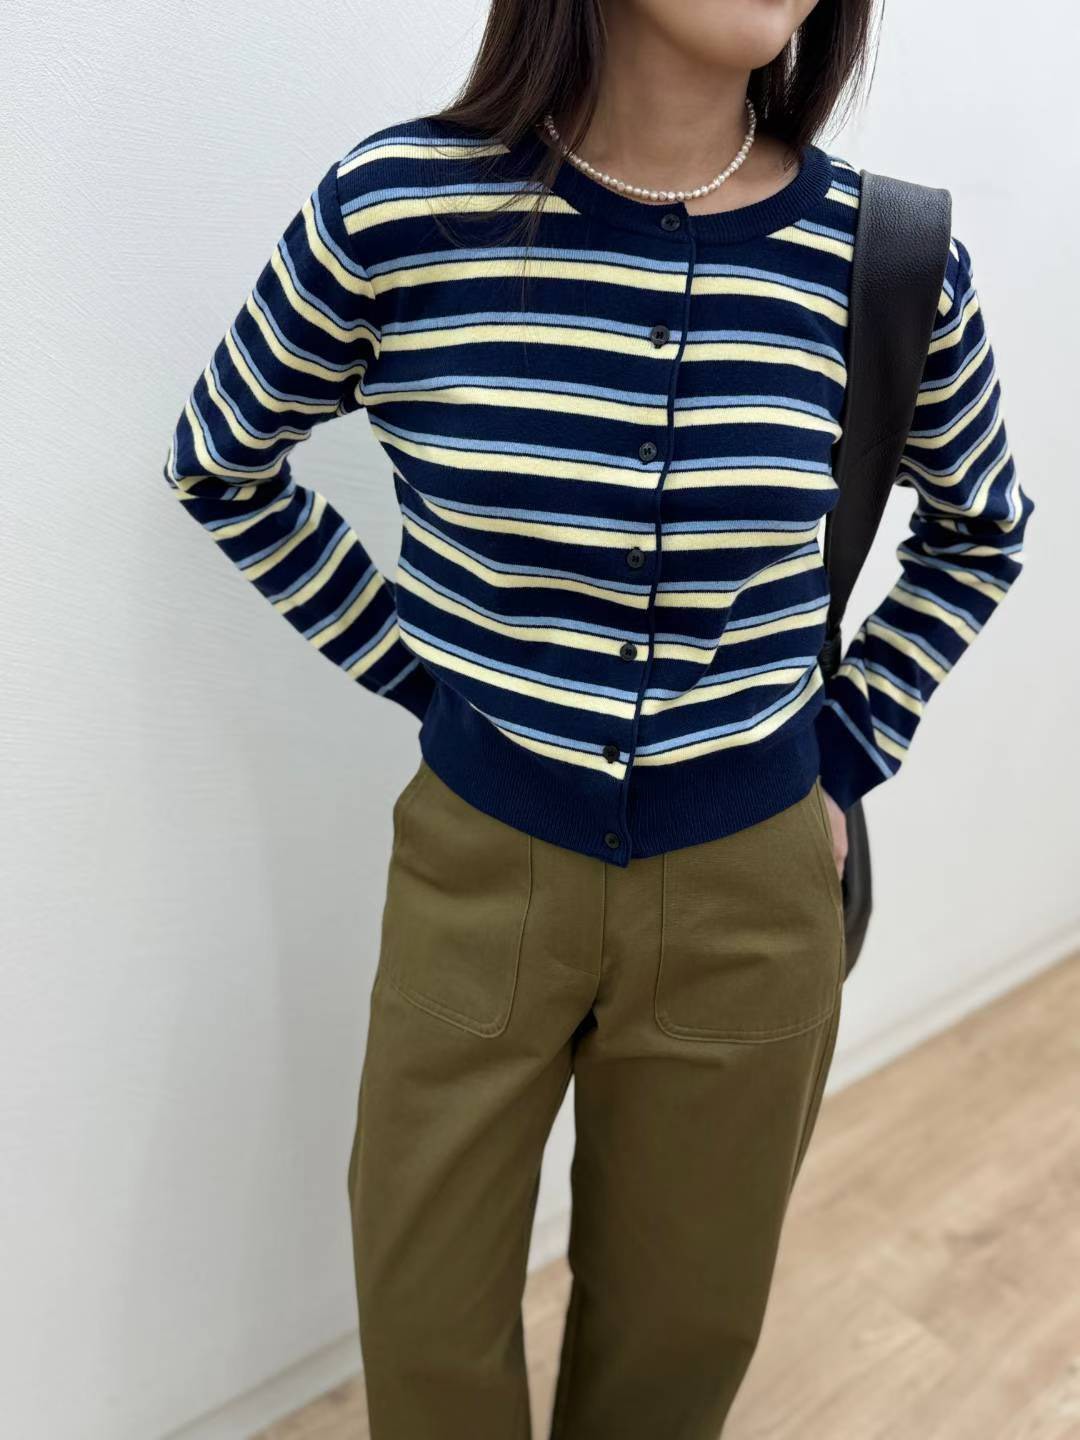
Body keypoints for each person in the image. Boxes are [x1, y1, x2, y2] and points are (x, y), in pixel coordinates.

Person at [162, 1, 1034, 1434]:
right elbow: (221, 462)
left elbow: (981, 526)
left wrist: (843, 750)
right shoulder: (401, 206)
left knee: (679, 1339)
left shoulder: (886, 255)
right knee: (427, 1328)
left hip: (753, 887)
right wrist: (430, 682)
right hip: (478, 866)